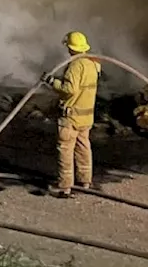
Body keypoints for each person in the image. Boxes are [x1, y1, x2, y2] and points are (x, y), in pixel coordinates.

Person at [41, 31, 101, 198]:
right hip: (86, 116)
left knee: (66, 150)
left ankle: (65, 187)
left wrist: (52, 82)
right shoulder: (93, 63)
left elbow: (69, 90)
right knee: (84, 147)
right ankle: (85, 182)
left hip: (71, 117)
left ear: (70, 47)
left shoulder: (75, 65)